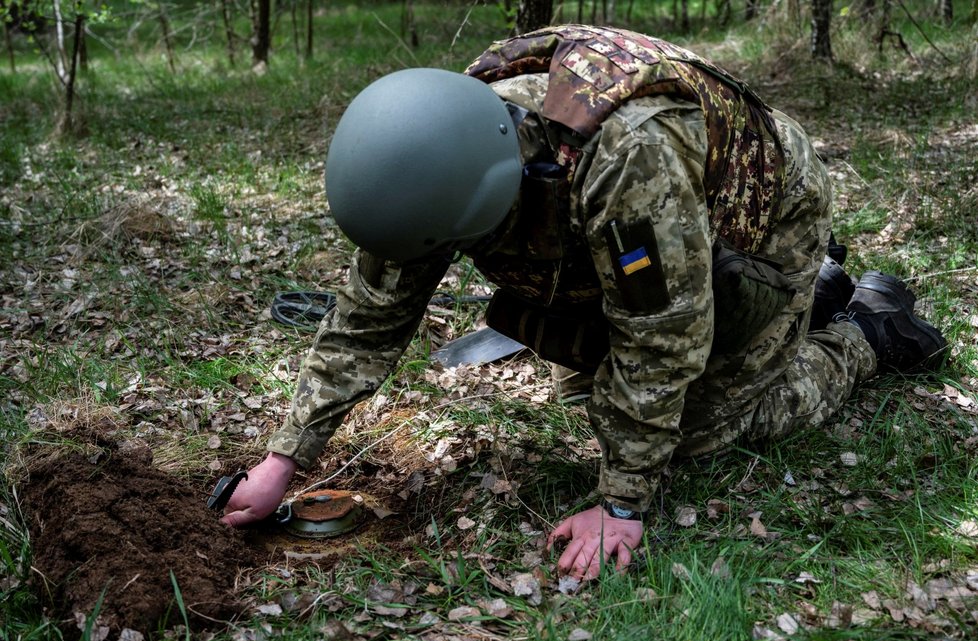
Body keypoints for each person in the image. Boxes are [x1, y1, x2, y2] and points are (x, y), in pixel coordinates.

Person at [221, 25, 947, 580]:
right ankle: (800, 305)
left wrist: (622, 504)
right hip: (668, 218)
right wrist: (287, 456)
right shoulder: (442, 140)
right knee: (589, 389)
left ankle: (860, 330)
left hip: (760, 216)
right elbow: (367, 317)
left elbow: (663, 335)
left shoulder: (627, 158)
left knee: (693, 431)